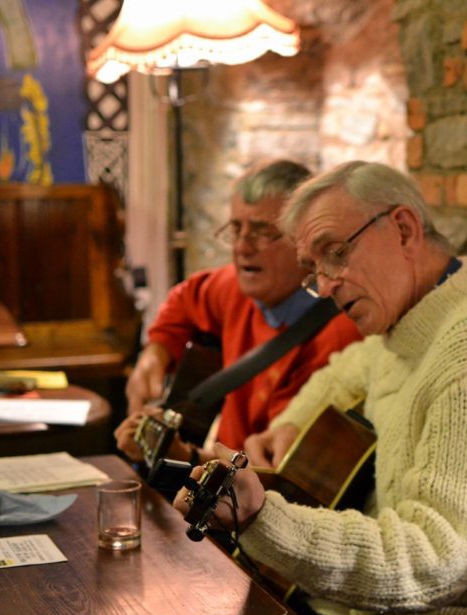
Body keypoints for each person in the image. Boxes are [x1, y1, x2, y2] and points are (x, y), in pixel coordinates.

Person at [172, 161, 467, 615]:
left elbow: (434, 560)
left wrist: (264, 519)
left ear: (403, 229)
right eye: (314, 270)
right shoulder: (416, 314)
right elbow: (347, 371)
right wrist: (289, 426)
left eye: (336, 253)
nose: (325, 285)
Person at [115, 159, 362, 467]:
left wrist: (179, 455)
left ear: (307, 243)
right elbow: (184, 299)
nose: (242, 248)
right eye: (236, 228)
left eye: (262, 231)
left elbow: (276, 476)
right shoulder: (236, 288)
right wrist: (155, 354)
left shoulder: (337, 338)